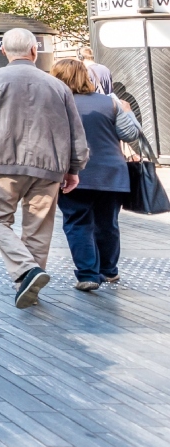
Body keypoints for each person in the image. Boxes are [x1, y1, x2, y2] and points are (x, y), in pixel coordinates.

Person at [0, 28, 89, 309]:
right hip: (48, 167)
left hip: (2, 165)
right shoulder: (57, 86)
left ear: (3, 51)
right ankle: (28, 286)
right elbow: (75, 131)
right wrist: (75, 168)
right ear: (34, 51)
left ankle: (27, 271)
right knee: (38, 228)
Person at [50, 59, 142, 291]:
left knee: (77, 223)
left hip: (72, 173)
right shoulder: (110, 103)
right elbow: (131, 134)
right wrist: (127, 111)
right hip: (112, 174)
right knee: (107, 223)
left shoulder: (55, 105)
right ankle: (109, 271)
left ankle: (88, 275)